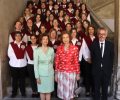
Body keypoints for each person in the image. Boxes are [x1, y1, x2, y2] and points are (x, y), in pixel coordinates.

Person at [90, 27, 114, 100]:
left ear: (106, 35)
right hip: (96, 71)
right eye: (100, 34)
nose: (101, 36)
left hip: (106, 72)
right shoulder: (94, 44)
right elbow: (93, 57)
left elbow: (111, 58)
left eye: (103, 34)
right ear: (98, 35)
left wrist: (109, 70)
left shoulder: (110, 45)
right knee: (96, 89)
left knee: (105, 90)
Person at [55, 32, 80, 100]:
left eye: (67, 37)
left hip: (71, 72)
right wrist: (56, 74)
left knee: (71, 92)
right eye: (64, 37)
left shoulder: (75, 48)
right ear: (62, 39)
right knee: (63, 92)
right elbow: (57, 61)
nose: (65, 39)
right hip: (61, 72)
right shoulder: (59, 48)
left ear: (70, 38)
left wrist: (78, 74)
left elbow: (76, 62)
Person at [34, 34, 54, 100]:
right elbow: (35, 65)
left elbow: (52, 61)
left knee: (48, 91)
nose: (45, 40)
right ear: (41, 40)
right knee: (42, 92)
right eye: (44, 39)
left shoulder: (51, 50)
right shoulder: (37, 50)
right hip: (41, 75)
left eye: (46, 39)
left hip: (50, 74)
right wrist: (37, 77)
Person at [8, 32, 27, 98]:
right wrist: (18, 55)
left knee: (22, 80)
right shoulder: (11, 44)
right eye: (17, 36)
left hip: (22, 64)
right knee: (14, 80)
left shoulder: (24, 44)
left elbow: (25, 53)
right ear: (15, 37)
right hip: (14, 64)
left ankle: (23, 92)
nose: (18, 37)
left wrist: (18, 54)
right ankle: (14, 92)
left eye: (19, 36)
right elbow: (9, 54)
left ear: (21, 37)